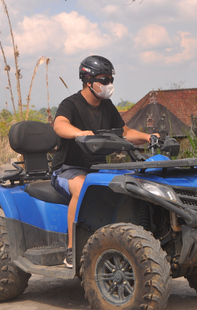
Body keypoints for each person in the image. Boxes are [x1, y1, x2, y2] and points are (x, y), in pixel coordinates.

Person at [51, 55, 155, 268]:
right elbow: (59, 125)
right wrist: (79, 133)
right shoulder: (71, 104)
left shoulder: (107, 106)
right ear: (88, 81)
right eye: (104, 79)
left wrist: (148, 137)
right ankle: (71, 250)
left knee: (130, 186)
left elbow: (124, 133)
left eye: (110, 79)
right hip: (67, 170)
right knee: (82, 188)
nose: (109, 85)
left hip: (98, 170)